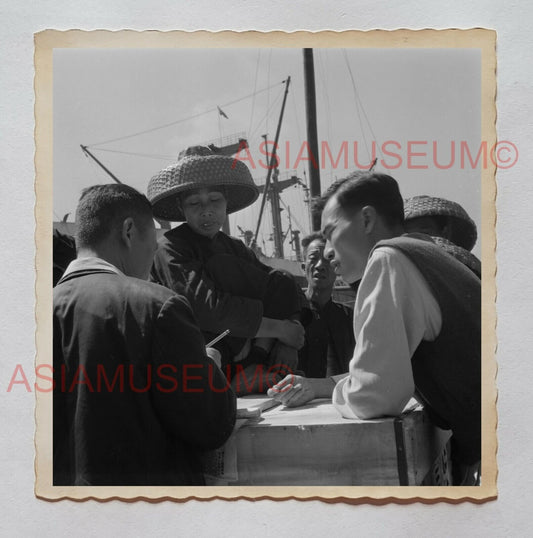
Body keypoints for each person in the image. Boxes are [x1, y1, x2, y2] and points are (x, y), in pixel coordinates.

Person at [268, 171, 481, 485]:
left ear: (367, 220)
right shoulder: (421, 250)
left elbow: (376, 395)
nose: (327, 251)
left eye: (330, 232)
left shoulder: (387, 259)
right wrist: (320, 385)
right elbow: (386, 364)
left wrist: (344, 391)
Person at [53, 184, 236, 486]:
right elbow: (210, 426)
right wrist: (209, 368)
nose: (154, 254)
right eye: (153, 243)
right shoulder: (158, 306)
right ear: (128, 231)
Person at [148, 146, 306, 395]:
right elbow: (205, 307)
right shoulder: (170, 248)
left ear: (227, 202)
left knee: (282, 279)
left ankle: (255, 364)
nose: (206, 211)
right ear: (181, 207)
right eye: (194, 203)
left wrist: (291, 336)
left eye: (214, 200)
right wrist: (280, 329)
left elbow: (280, 286)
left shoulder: (235, 247)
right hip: (200, 350)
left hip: (247, 347)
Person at [297, 232, 354, 377]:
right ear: (303, 268)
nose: (320, 265)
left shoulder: (349, 317)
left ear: (337, 268)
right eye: (313, 258)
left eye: (328, 259)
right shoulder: (290, 314)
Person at [404, 195, 481, 277]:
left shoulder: (465, 265)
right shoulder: (402, 263)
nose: (417, 239)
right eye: (409, 235)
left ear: (445, 231)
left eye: (425, 233)